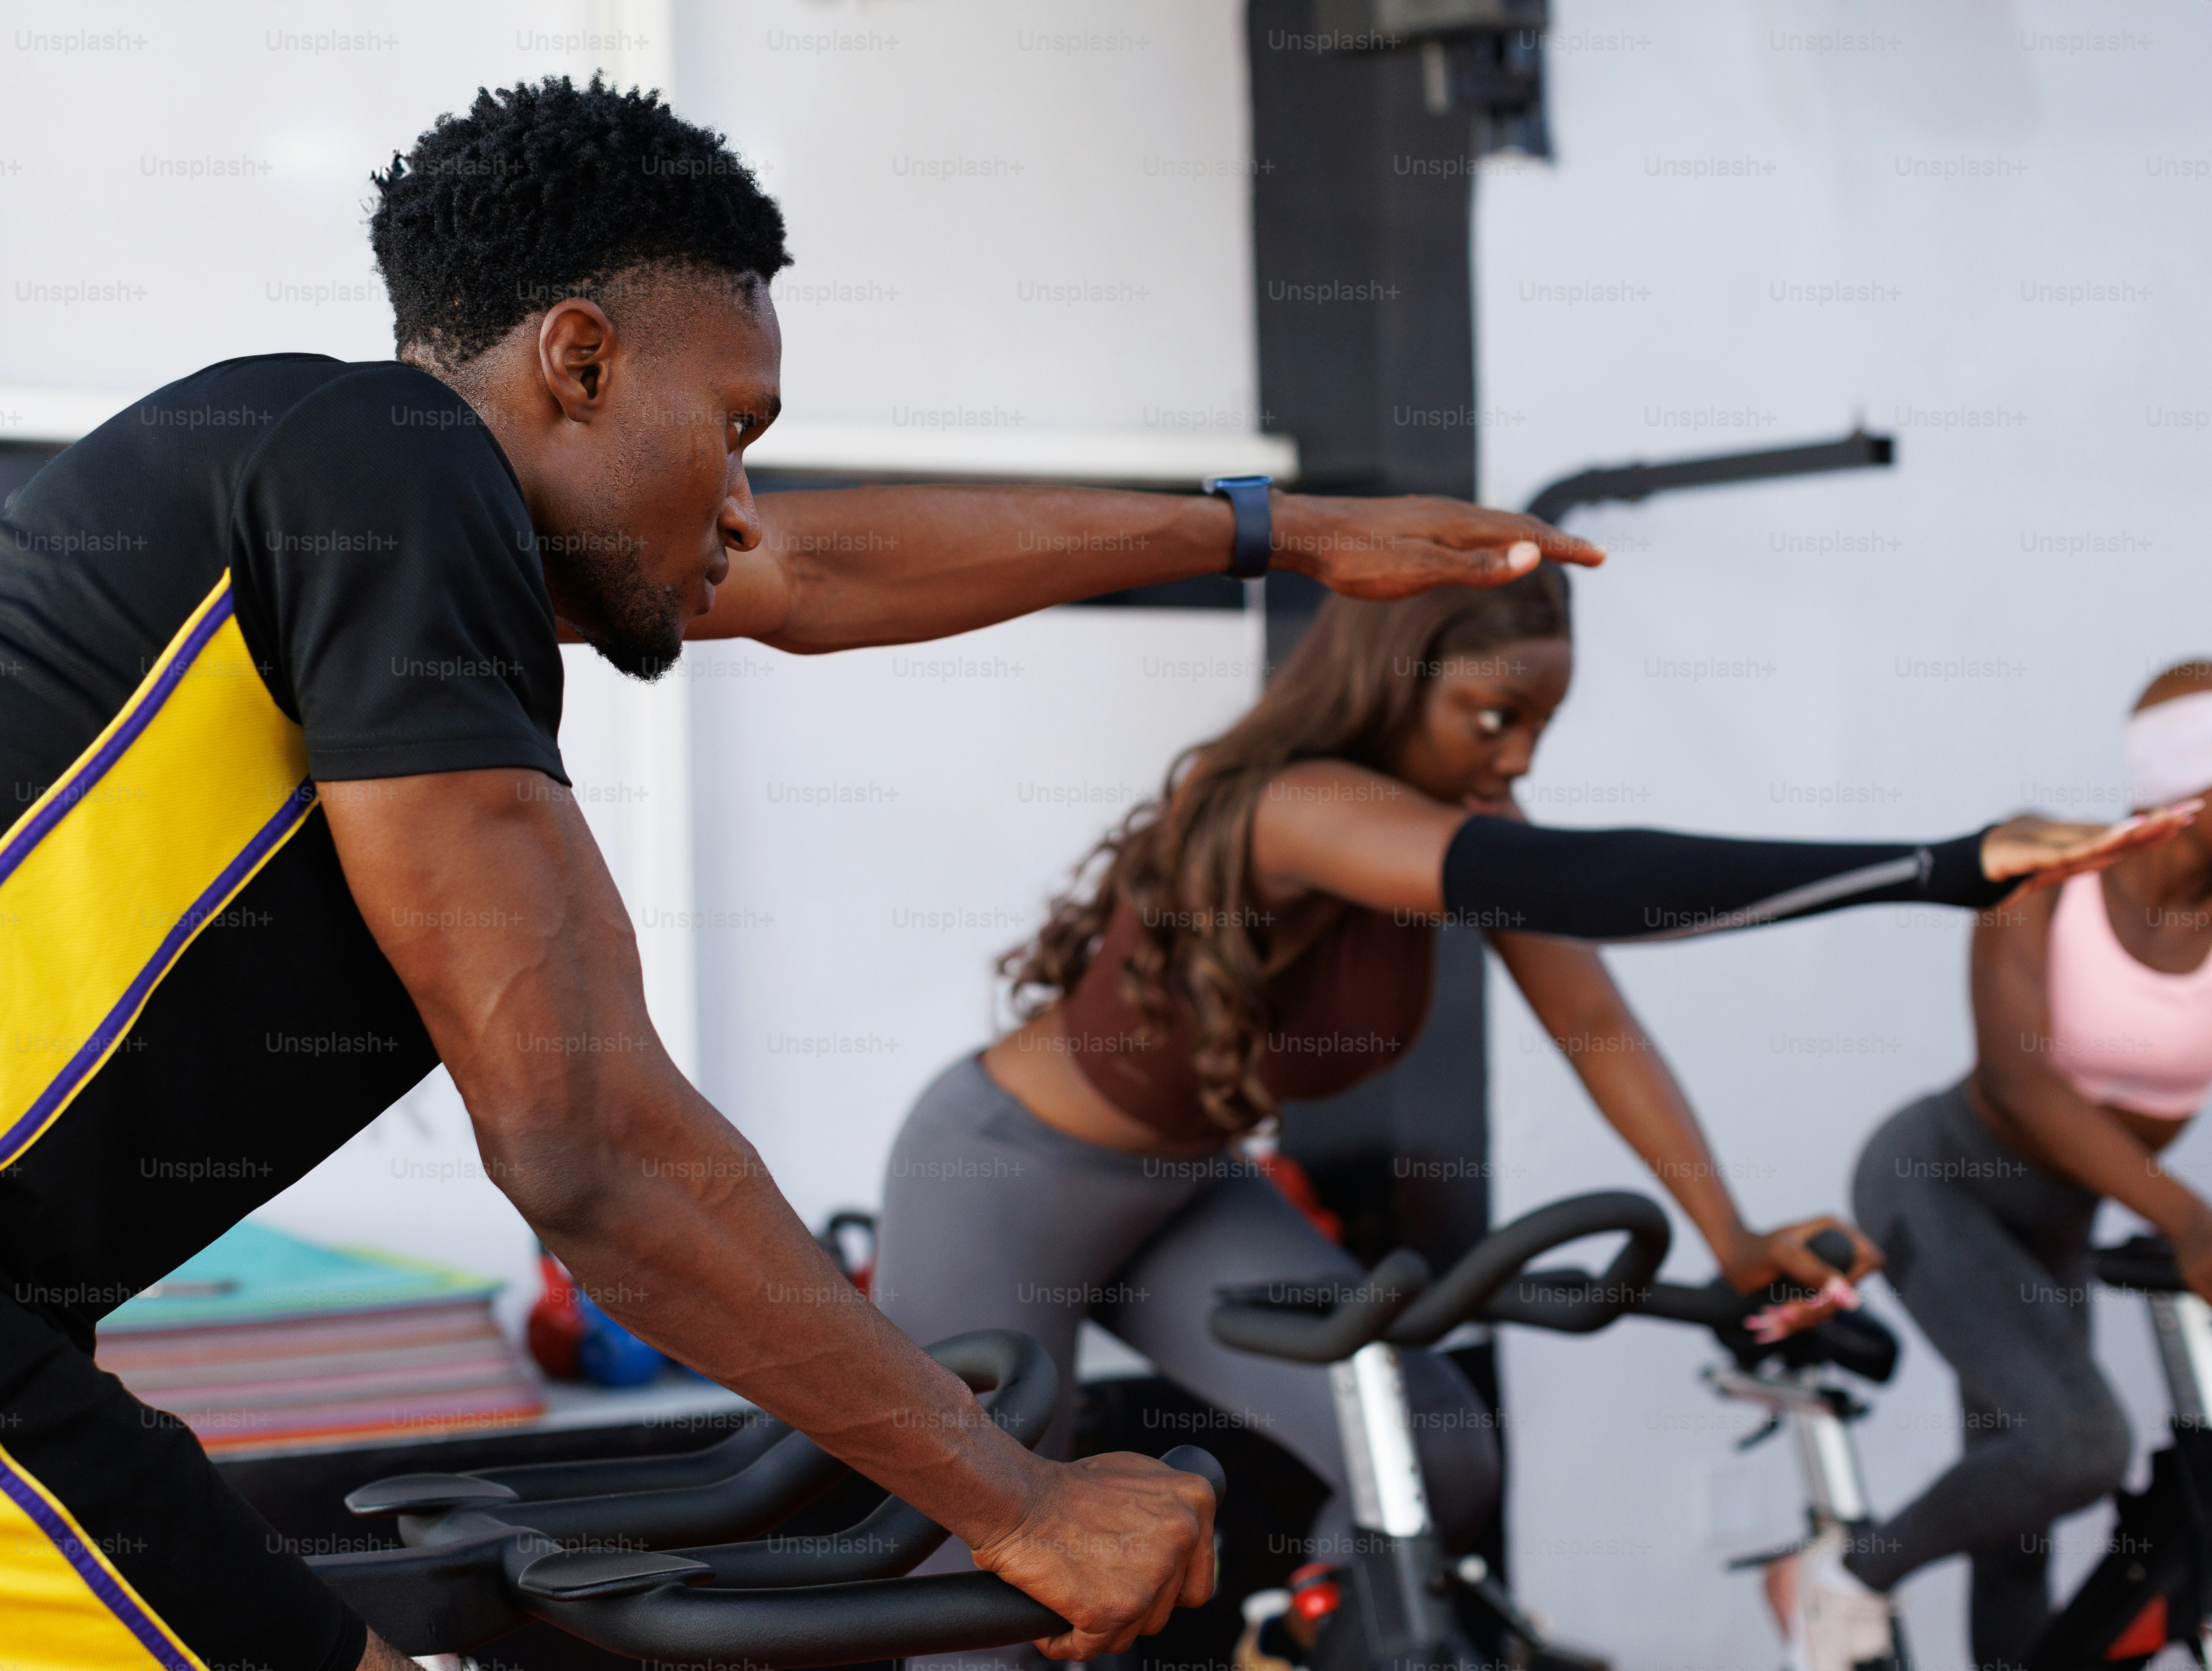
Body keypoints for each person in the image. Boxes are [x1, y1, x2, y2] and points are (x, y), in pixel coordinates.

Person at [0, 79, 1600, 1671]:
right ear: (581, 360)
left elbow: (822, 579)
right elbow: (588, 1143)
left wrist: (1267, 529)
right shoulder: (385, 465)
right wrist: (1017, 1498)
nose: (749, 499)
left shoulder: (332, 500)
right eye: (739, 426)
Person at [874, 572, 2187, 1627]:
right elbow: (1604, 880)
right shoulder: (1303, 807)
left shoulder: (1465, 817)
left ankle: (1302, 1636)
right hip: (1007, 1176)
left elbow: (1599, 1024)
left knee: (1436, 1449)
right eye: (1491, 717)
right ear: (1393, 682)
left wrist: (1730, 1241)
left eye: (1540, 730)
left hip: (1184, 1195)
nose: (1512, 759)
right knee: (969, 1570)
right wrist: (1943, 865)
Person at [1810, 661, 2212, 1671]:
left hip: (2057, 1224)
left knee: (2020, 1532)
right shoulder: (2049, 864)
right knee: (2075, 1448)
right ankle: (1845, 1577)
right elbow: (2023, 1078)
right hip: (1940, 1181)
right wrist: (2189, 1216)